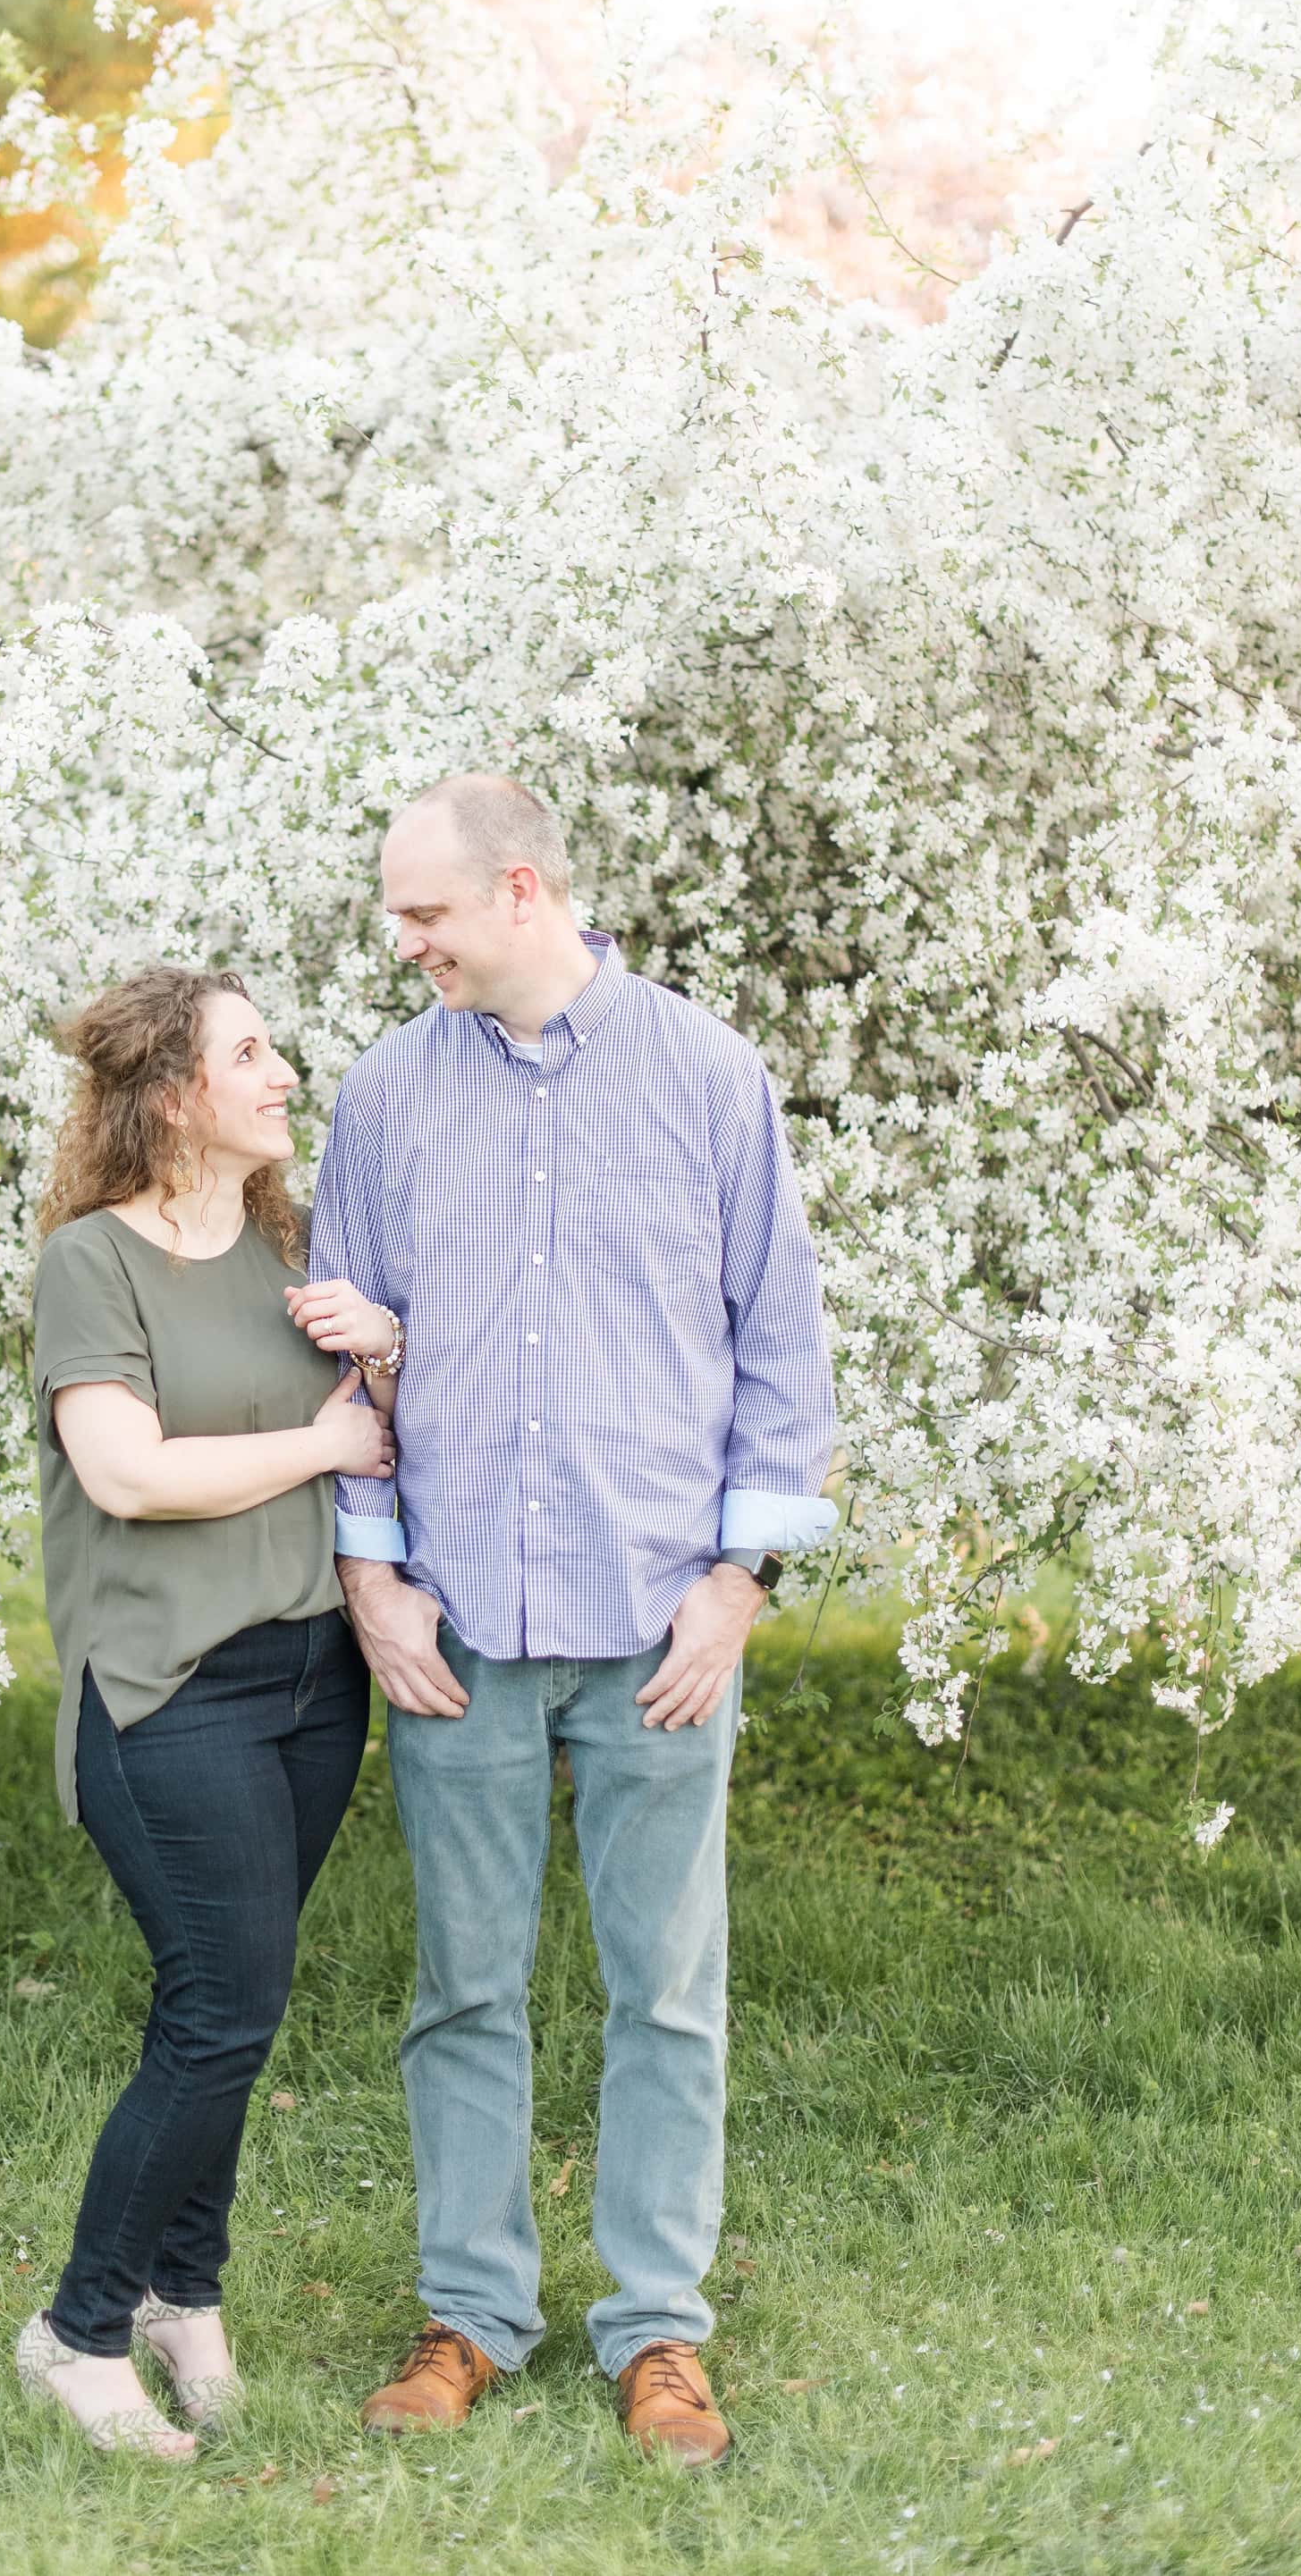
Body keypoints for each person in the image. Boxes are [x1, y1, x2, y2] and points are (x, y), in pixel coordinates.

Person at [295, 775, 838, 2469]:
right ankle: (470, 2312)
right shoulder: (384, 1099)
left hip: (660, 1624)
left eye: (424, 916)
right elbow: (344, 1361)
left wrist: (738, 1583)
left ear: (518, 890)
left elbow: (782, 1345)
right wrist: (373, 1576)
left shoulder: (705, 1074)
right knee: (462, 1984)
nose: (407, 945)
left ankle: (658, 2330)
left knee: (665, 1986)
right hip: (454, 1624)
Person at [20, 963, 402, 2459]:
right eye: (251, 1051)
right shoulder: (91, 1265)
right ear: (175, 1092)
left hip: (314, 1684)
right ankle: (80, 2324)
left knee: (230, 2011)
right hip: (165, 1688)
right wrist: (319, 1439)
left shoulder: (290, 1243)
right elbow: (126, 1471)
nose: (284, 1071)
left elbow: (385, 1431)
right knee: (222, 2004)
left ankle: (190, 2292)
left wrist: (380, 1348)